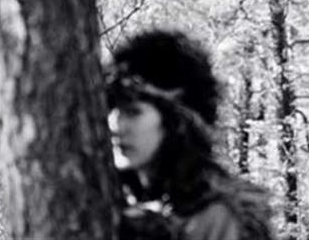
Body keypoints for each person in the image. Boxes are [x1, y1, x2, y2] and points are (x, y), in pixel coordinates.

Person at [106, 30, 274, 240]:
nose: (115, 125)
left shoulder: (218, 214)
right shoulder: (117, 199)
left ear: (177, 123)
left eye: (133, 112)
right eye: (111, 110)